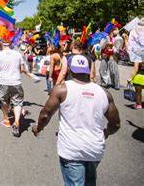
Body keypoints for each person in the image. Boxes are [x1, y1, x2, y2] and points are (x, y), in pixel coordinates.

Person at [32, 53, 120, 186]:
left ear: (69, 70)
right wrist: (106, 132)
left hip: (71, 149)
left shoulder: (61, 90)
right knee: (90, 182)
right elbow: (116, 123)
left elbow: (45, 114)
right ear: (88, 70)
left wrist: (38, 127)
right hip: (95, 148)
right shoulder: (104, 93)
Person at [0, 40, 25, 137]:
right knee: (17, 102)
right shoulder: (18, 54)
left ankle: (6, 120)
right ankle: (16, 122)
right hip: (16, 81)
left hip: (4, 82)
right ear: (10, 44)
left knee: (4, 102)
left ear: (1, 44)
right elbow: (22, 69)